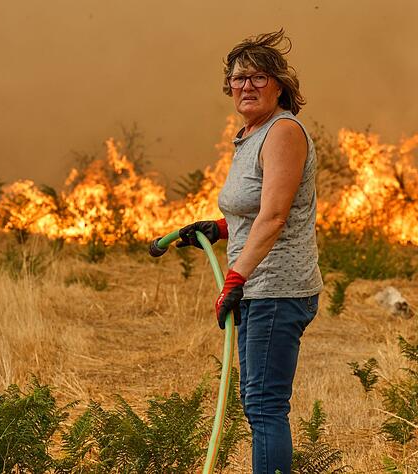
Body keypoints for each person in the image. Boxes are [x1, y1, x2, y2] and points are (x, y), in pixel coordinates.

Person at [176, 29, 323, 474]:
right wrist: (219, 228)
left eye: (259, 77)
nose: (247, 86)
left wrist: (235, 277)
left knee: (264, 405)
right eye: (239, 78)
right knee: (259, 402)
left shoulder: (283, 132)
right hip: (259, 287)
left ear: (280, 85)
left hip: (276, 288)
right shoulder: (251, 135)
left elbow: (275, 216)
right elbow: (258, 209)